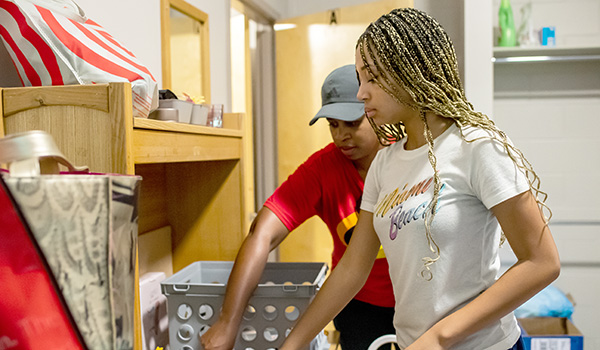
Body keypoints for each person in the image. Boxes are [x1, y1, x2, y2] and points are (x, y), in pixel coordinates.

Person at [281, 8, 560, 350]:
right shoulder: (385, 162)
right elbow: (354, 267)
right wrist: (292, 344)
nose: (361, 94)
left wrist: (440, 337)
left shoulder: (476, 146)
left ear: (414, 71)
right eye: (360, 79)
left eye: (373, 78)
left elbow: (542, 262)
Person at [200, 64, 397, 350]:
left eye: (352, 123)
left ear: (376, 114)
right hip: (357, 304)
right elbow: (262, 233)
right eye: (333, 124)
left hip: (416, 300)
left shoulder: (407, 158)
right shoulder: (322, 169)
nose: (341, 135)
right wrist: (228, 322)